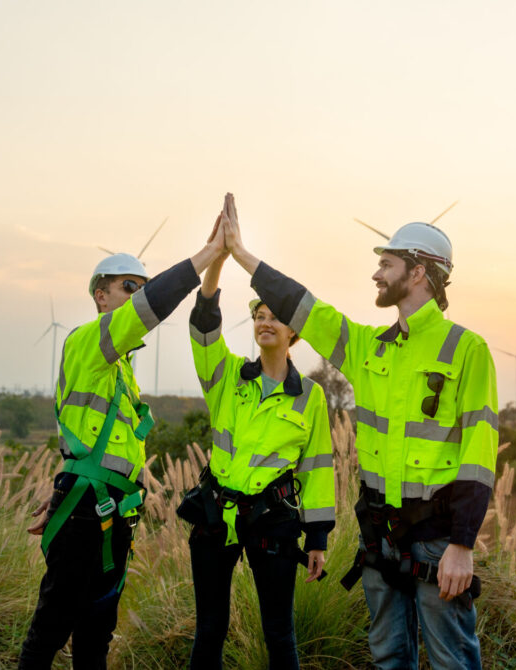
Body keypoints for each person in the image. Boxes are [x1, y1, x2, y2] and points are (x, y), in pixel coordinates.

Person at [220, 193, 498, 669]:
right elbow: (304, 307)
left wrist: (462, 545)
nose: (375, 273)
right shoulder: (368, 347)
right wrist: (242, 255)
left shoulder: (467, 350)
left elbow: (479, 452)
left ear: (417, 272)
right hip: (380, 537)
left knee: (453, 660)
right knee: (388, 656)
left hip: (437, 539)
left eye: (386, 264)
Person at [18, 220, 227, 670]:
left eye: (141, 287)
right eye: (129, 286)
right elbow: (152, 308)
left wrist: (63, 484)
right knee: (51, 629)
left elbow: (86, 441)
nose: (138, 294)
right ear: (101, 295)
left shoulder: (120, 370)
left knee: (96, 636)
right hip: (84, 515)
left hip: (109, 515)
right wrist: (207, 256)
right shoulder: (88, 342)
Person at [177, 203, 336, 670]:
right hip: (216, 515)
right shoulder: (227, 376)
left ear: (293, 333)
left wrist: (318, 538)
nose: (265, 321)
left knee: (279, 635)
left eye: (275, 316)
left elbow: (318, 469)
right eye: (259, 315)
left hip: (275, 523)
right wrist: (218, 261)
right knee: (209, 630)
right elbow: (204, 327)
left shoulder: (311, 397)